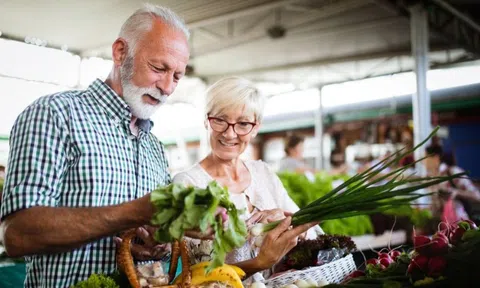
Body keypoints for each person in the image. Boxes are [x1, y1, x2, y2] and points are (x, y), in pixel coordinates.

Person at [0, 4, 211, 287]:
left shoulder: (153, 146)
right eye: (159, 68)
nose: (167, 87)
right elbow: (17, 235)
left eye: (176, 76)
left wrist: (153, 244)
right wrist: (134, 211)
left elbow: (144, 228)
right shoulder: (55, 114)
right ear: (120, 52)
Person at [173, 77, 320, 281]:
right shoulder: (188, 184)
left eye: (243, 123)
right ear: (206, 120)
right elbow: (194, 275)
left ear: (255, 127)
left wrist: (286, 222)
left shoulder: (263, 173)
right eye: (220, 120)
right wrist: (259, 262)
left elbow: (310, 234)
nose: (230, 133)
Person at [425, 145, 480, 223]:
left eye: (425, 158)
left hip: (461, 225)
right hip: (443, 227)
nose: (423, 162)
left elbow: (477, 195)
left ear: (436, 158)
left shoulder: (453, 172)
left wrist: (457, 192)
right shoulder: (431, 179)